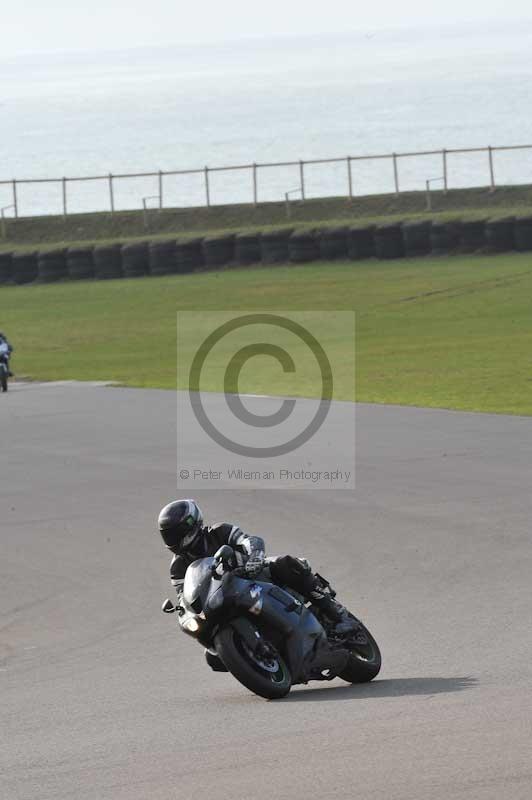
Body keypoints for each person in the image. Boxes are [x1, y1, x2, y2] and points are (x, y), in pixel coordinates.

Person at [158, 499, 358, 649]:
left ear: (191, 525)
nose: (174, 539)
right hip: (221, 597)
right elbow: (185, 595)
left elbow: (249, 540)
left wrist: (254, 556)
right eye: (168, 535)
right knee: (212, 658)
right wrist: (185, 611)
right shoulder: (177, 567)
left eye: (176, 533)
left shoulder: (219, 532)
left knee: (285, 563)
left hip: (251, 574)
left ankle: (338, 615)